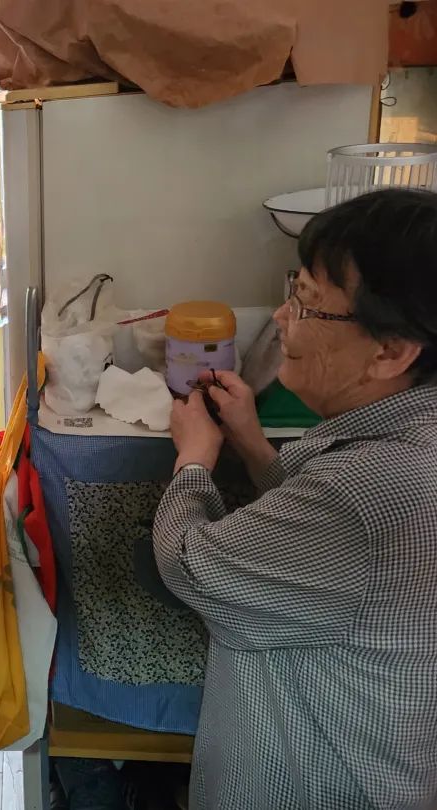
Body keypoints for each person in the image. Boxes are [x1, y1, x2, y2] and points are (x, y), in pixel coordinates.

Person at [154, 188, 437, 809]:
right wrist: (253, 445)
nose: (282, 318)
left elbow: (188, 563)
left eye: (307, 302)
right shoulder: (409, 438)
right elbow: (325, 552)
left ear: (391, 351)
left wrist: (194, 457)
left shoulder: (366, 488)